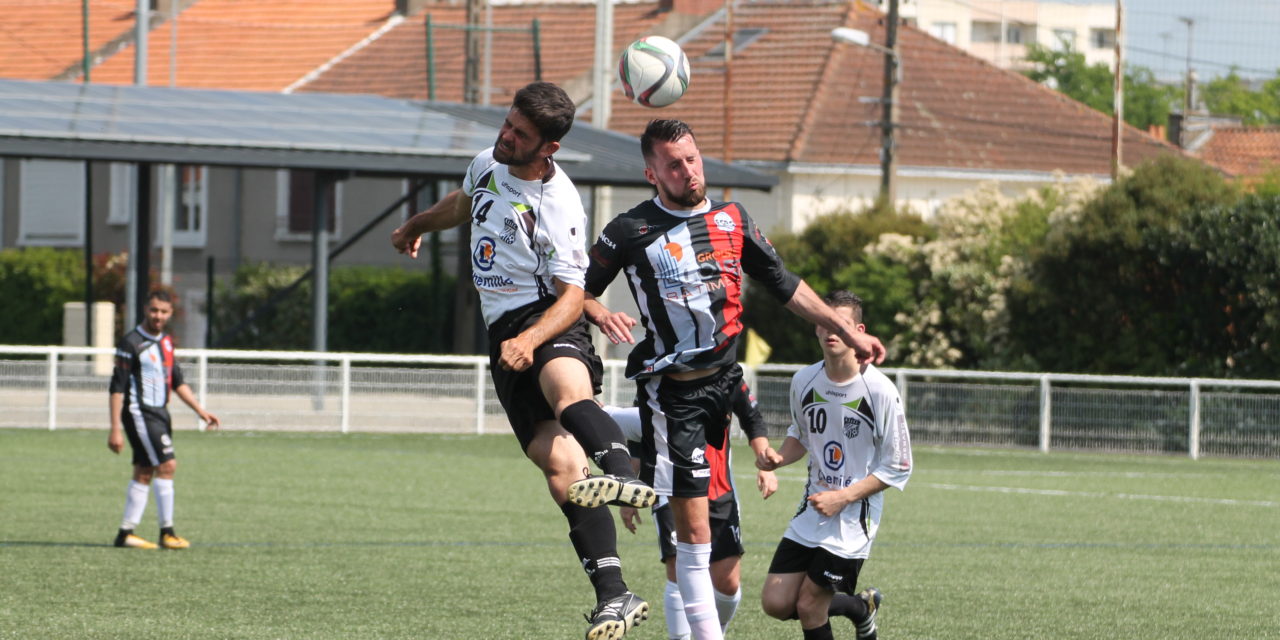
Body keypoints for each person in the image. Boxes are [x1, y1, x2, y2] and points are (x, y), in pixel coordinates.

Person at [583, 119, 886, 640]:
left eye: (692, 159)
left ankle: (613, 438)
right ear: (651, 173)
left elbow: (785, 285)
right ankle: (599, 429)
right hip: (671, 393)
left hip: (723, 387)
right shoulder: (628, 230)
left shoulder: (732, 218)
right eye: (674, 165)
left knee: (718, 561)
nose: (688, 171)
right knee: (691, 537)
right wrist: (597, 311)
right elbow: (578, 290)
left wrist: (844, 329)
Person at [390, 81, 654, 640]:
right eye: (508, 124)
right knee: (560, 471)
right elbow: (462, 206)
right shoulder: (488, 161)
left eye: (521, 134)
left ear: (549, 148)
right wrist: (415, 226)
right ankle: (617, 595)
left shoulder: (558, 205)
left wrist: (533, 340)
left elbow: (568, 295)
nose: (506, 136)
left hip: (546, 318)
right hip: (501, 335)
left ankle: (626, 474)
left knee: (568, 391)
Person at [758, 290, 912, 640]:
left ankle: (857, 610)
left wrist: (843, 498)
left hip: (853, 519)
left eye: (840, 324)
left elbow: (899, 465)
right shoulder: (804, 381)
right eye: (824, 321)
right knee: (776, 603)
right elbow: (801, 433)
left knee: (811, 605)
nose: (831, 330)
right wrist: (779, 459)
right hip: (812, 510)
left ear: (858, 329)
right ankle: (860, 607)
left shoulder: (880, 390)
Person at [606, 374, 778, 640]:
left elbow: (752, 418)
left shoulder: (726, 372)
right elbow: (639, 437)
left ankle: (712, 633)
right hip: (670, 487)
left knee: (728, 583)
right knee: (677, 569)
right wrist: (630, 489)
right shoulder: (654, 374)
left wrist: (764, 462)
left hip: (719, 490)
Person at [108, 290, 220, 550]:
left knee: (145, 470)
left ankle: (126, 533)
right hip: (139, 412)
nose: (158, 316)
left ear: (170, 314)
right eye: (154, 310)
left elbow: (177, 382)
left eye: (163, 312)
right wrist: (115, 429)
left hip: (160, 413)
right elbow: (117, 388)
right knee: (167, 465)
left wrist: (200, 411)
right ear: (146, 310)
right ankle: (167, 532)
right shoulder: (131, 342)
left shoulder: (167, 342)